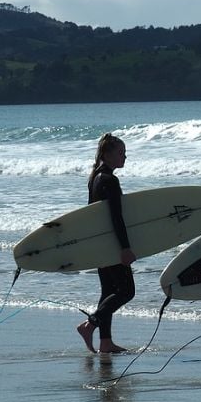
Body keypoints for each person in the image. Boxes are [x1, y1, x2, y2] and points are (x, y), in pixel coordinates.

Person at [77, 133, 137, 354]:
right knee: (127, 291)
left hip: (101, 244)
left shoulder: (95, 178)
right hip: (112, 245)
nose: (125, 157)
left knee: (108, 291)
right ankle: (90, 325)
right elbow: (115, 217)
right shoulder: (110, 180)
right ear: (107, 154)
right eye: (121, 153)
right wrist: (125, 247)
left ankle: (105, 342)